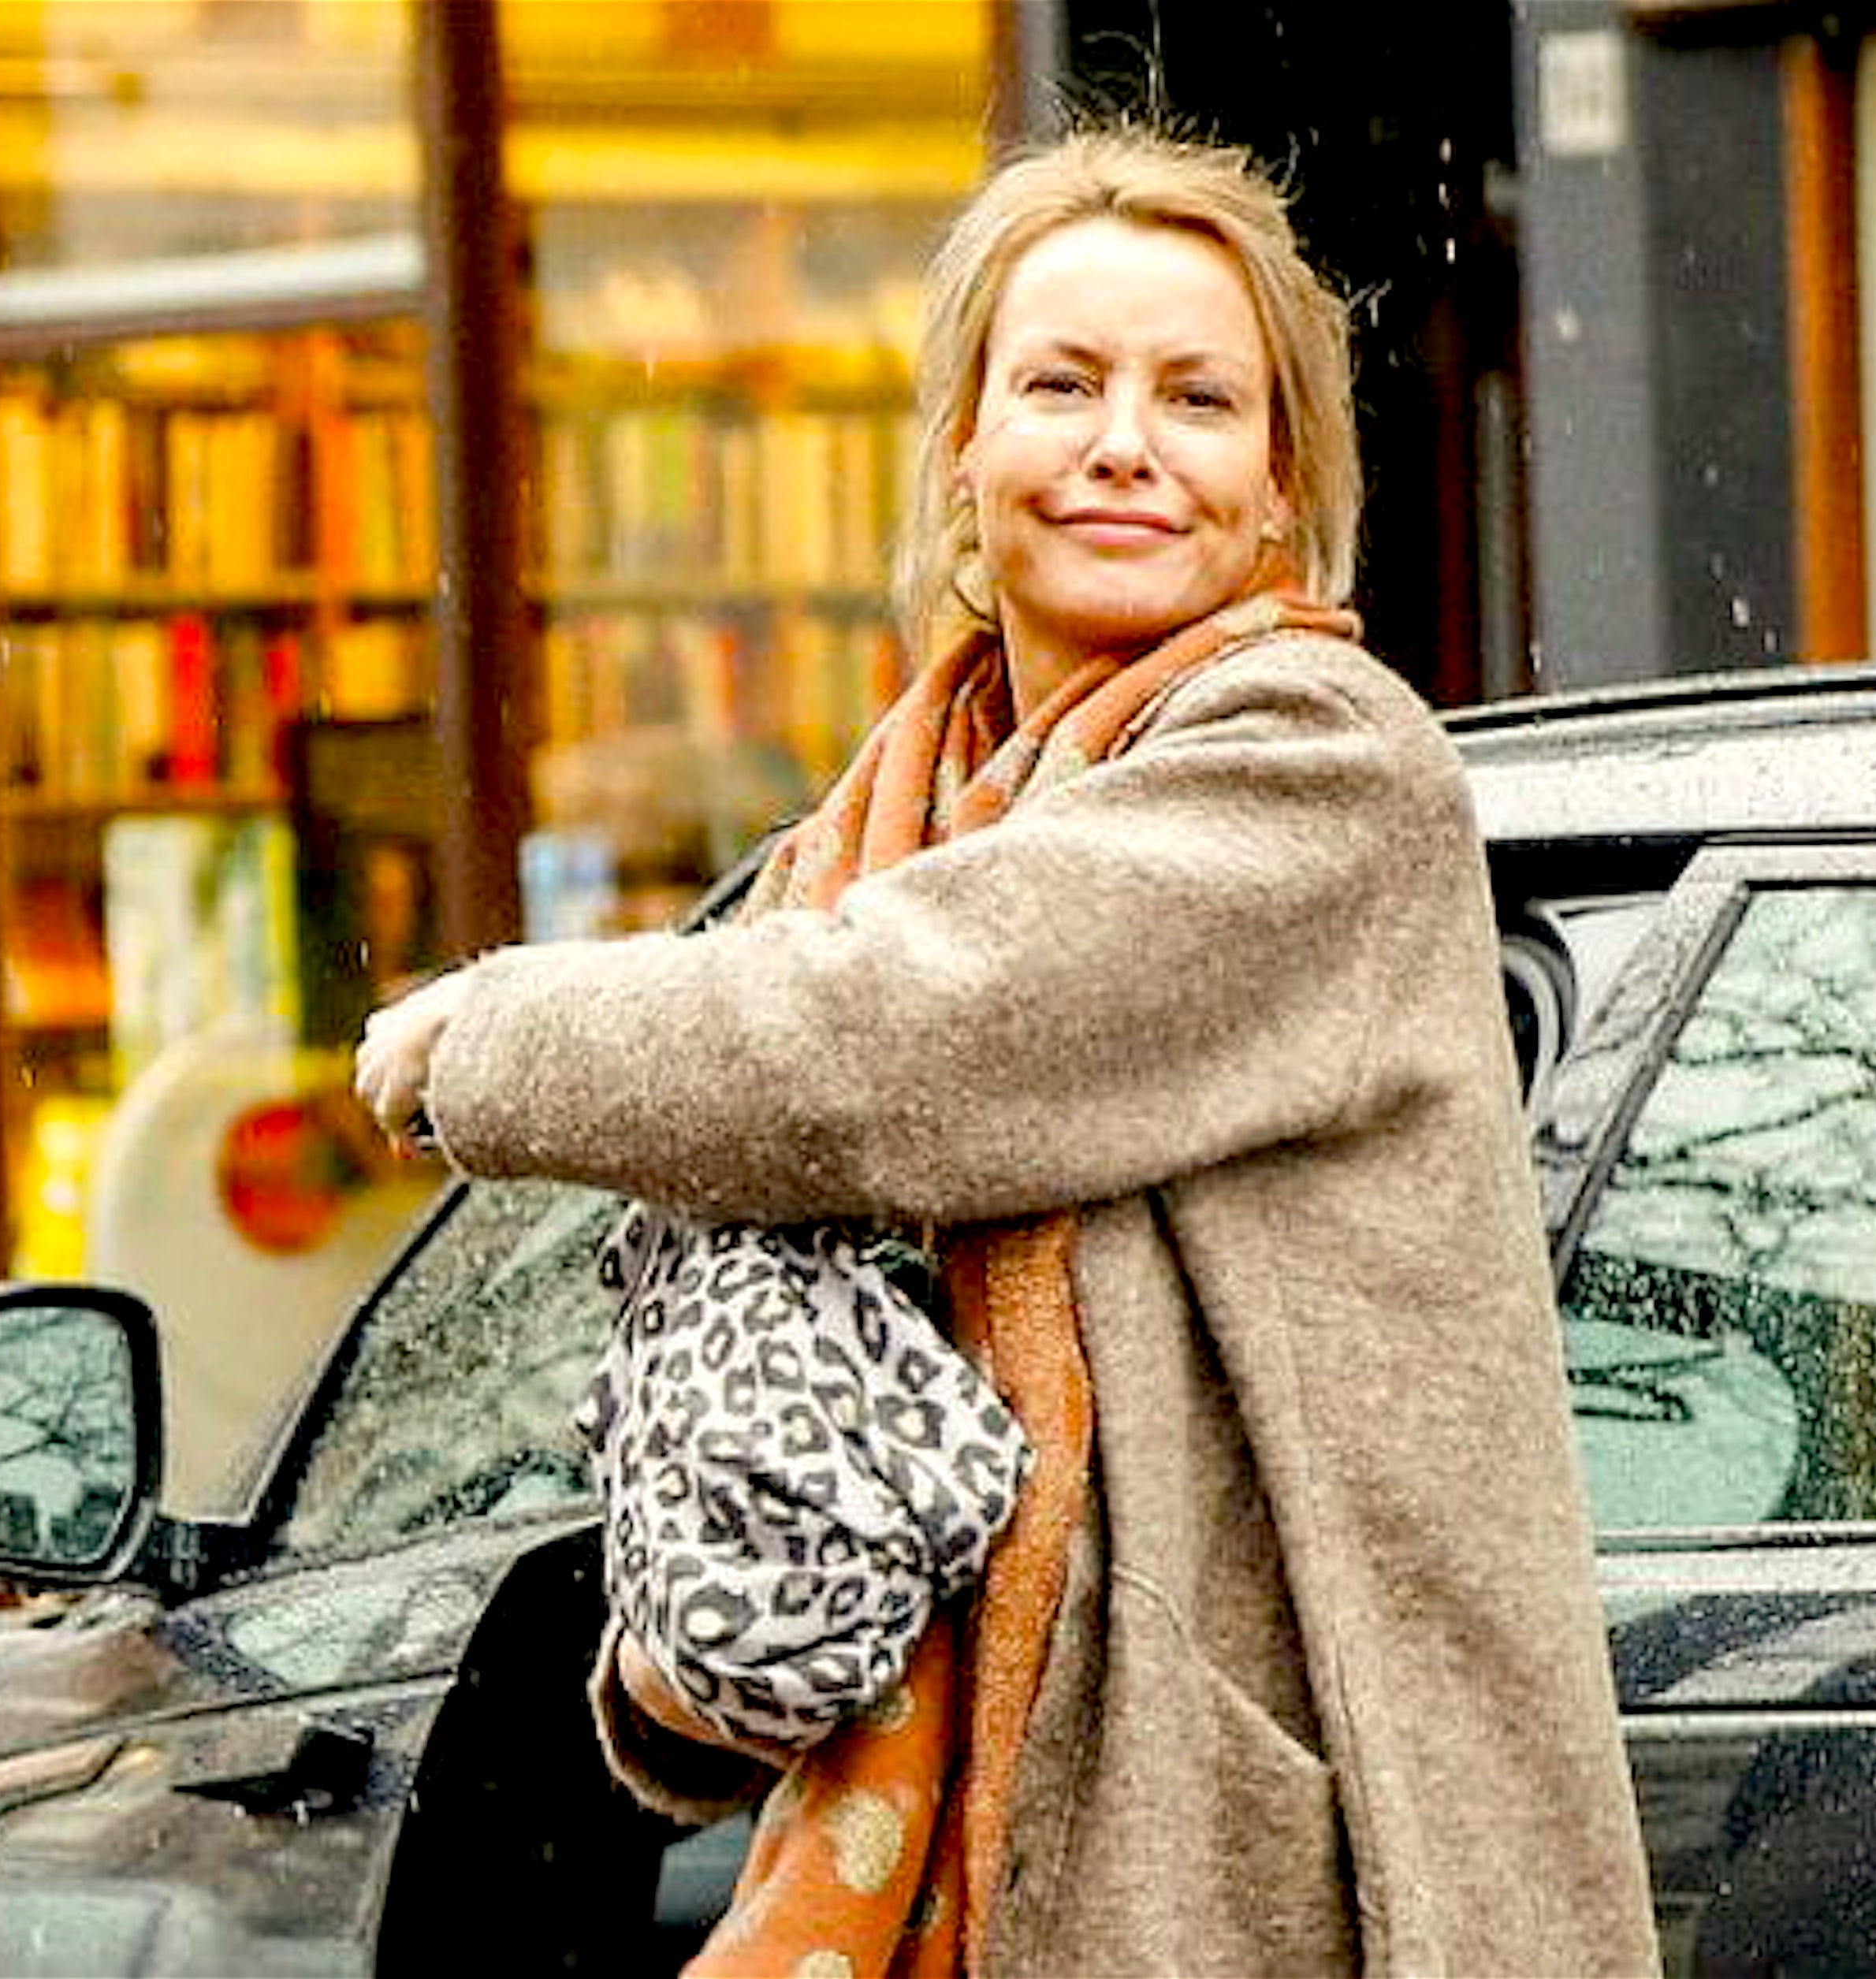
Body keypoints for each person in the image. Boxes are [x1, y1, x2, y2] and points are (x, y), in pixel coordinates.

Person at [353, 125, 1658, 1977]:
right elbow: (753, 1264)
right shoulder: (885, 822)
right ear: (963, 450)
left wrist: (495, 1033)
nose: (1125, 442)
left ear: (1280, 484)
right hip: (995, 1847)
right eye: (1061, 384)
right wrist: (713, 1625)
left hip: (1270, 1868)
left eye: (1198, 398)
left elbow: (878, 1043)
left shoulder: (1319, 766)